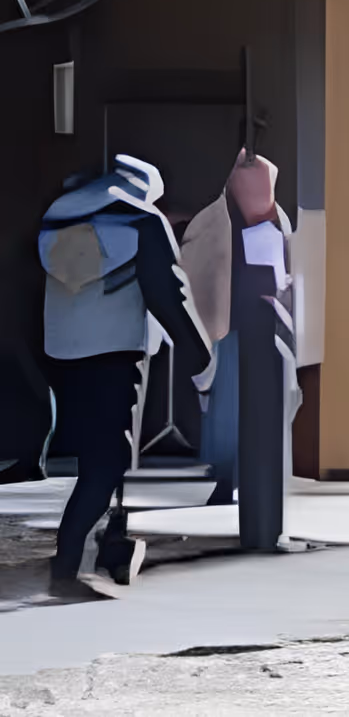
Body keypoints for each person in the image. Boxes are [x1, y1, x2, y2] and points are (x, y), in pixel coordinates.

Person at [38, 155, 210, 597]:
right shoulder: (144, 226)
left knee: (97, 455)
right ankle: (67, 567)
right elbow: (169, 296)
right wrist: (202, 358)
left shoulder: (56, 220)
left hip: (63, 356)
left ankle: (107, 537)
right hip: (116, 355)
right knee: (109, 460)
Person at [180, 152, 295, 506]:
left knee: (251, 404)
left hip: (261, 325)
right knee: (228, 407)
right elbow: (196, 270)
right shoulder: (215, 220)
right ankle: (227, 475)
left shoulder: (272, 220)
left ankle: (243, 475)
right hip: (231, 327)